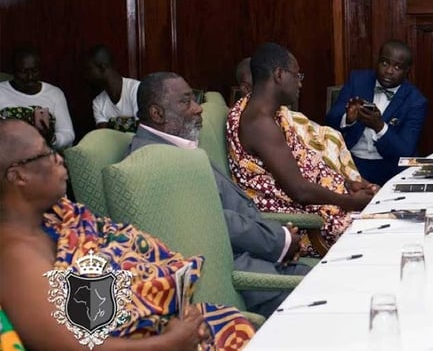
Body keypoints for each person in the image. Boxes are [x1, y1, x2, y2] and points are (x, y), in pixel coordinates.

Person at [0, 119, 254, 350]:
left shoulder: (57, 219)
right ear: (18, 176)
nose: (58, 158)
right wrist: (172, 342)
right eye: (45, 153)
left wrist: (176, 314)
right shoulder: (14, 258)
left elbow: (130, 270)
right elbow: (71, 347)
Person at [129, 71, 310, 318]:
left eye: (195, 100)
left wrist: (279, 237)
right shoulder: (153, 161)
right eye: (186, 102)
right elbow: (215, 219)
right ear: (157, 114)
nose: (198, 109)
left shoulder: (175, 147)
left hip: (258, 258)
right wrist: (280, 241)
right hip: (245, 277)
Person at [227, 42, 376, 255]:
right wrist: (349, 202)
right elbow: (300, 191)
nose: (300, 83)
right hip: (299, 223)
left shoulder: (269, 113)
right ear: (279, 75)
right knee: (387, 231)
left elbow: (306, 166)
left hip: (316, 206)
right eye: (297, 76)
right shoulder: (260, 123)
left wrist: (347, 184)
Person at [325, 40, 427, 186]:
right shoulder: (357, 80)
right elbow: (330, 121)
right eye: (384, 63)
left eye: (397, 67)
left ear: (407, 71)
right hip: (353, 162)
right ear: (377, 62)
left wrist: (379, 126)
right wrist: (348, 119)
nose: (389, 71)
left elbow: (405, 151)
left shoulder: (416, 101)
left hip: (390, 167)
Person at [0, 46, 74, 148]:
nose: (30, 77)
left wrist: (52, 139)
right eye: (23, 71)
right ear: (13, 70)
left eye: (34, 71)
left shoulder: (54, 94)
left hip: (43, 153)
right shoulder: (1, 91)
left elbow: (68, 134)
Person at [84, 44, 140, 132]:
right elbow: (104, 135)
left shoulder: (136, 90)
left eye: (89, 70)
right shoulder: (98, 103)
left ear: (102, 68)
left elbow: (143, 131)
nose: (86, 76)